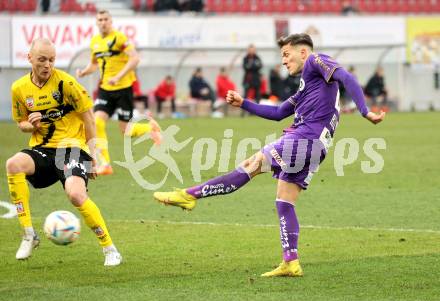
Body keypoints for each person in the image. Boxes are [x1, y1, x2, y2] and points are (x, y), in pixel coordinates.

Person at [153, 33, 385, 277]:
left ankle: (189, 195)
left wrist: (364, 111)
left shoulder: (316, 60)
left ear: (303, 52)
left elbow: (346, 76)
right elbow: (277, 112)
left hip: (305, 138)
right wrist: (243, 102)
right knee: (284, 201)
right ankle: (291, 262)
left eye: (287, 54)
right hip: (316, 147)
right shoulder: (308, 87)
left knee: (252, 164)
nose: (283, 61)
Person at [7, 38, 122, 266]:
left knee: (76, 195)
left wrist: (95, 157)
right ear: (29, 58)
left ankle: (110, 249)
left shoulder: (67, 84)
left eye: (51, 60)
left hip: (72, 149)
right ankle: (29, 234)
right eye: (42, 59)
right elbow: (21, 122)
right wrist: (31, 126)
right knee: (13, 164)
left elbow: (89, 118)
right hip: (43, 149)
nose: (47, 65)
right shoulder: (19, 88)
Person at [76, 10, 161, 176]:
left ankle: (150, 127)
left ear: (111, 21)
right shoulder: (95, 42)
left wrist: (118, 76)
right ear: (96, 22)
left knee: (126, 131)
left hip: (123, 89)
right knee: (97, 123)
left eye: (105, 19)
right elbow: (94, 64)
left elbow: (135, 58)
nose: (102, 22)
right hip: (105, 90)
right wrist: (84, 72)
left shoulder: (119, 38)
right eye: (99, 20)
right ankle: (105, 164)